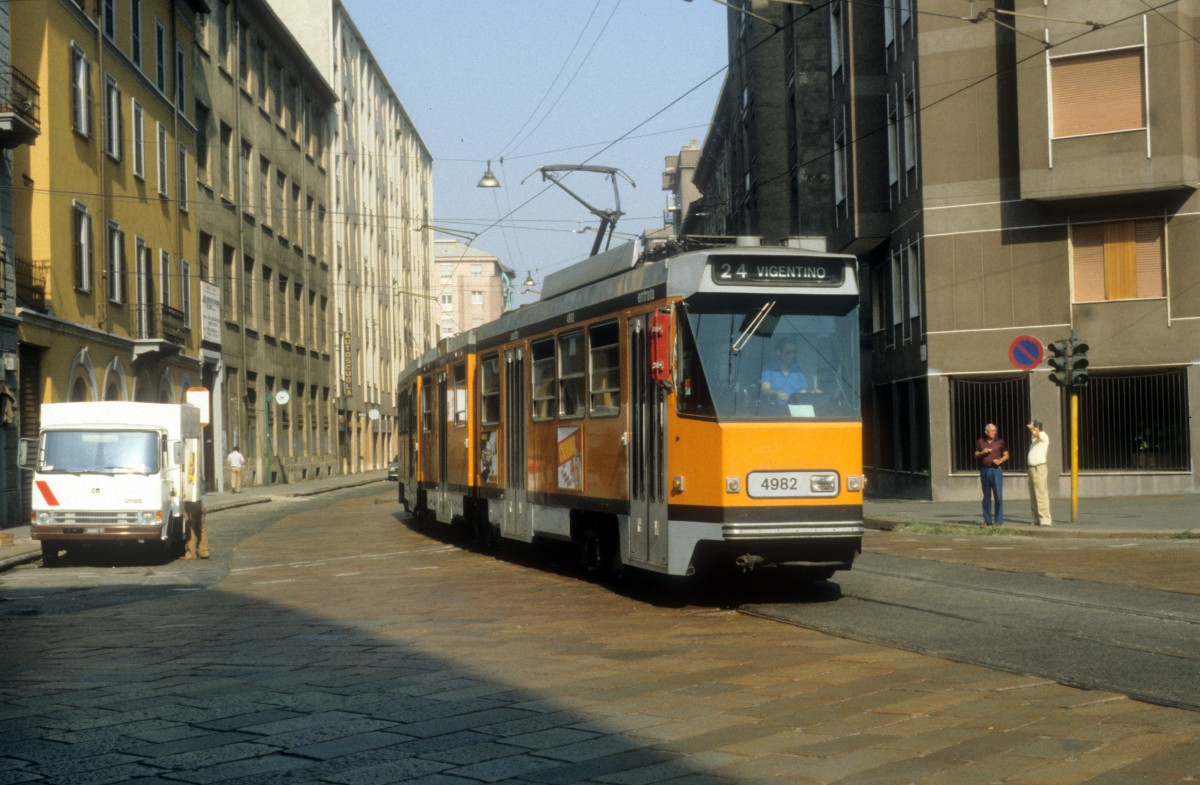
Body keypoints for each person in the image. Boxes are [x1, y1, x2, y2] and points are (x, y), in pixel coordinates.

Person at [975, 423, 1008, 526]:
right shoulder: (980, 441)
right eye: (992, 430)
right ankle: (987, 520)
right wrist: (982, 452)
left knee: (998, 495)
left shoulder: (1000, 442)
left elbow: (1006, 455)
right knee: (986, 496)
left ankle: (998, 521)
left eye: (995, 430)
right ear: (986, 431)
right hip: (984, 470)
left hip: (996, 470)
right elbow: (976, 455)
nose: (994, 432)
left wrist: (1000, 460)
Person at [1027, 420, 1052, 526]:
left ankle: (1045, 520)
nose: (1031, 429)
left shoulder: (1043, 436)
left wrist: (1032, 427)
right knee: (1033, 495)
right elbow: (1034, 434)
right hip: (1031, 469)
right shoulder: (1034, 440)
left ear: (1038, 428)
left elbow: (1035, 433)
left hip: (1039, 468)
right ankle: (1036, 519)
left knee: (1041, 494)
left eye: (1034, 427)